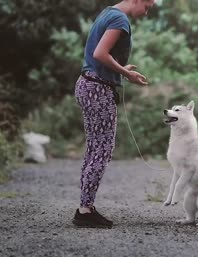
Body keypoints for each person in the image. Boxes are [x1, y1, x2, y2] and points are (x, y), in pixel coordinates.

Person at [73, 0, 156, 228]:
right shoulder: (121, 19)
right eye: (147, 6)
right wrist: (124, 73)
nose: (146, 12)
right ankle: (85, 211)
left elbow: (98, 54)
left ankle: (85, 206)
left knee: (94, 148)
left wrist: (119, 69)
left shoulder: (107, 13)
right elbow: (100, 53)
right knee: (102, 150)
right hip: (97, 89)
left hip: (88, 85)